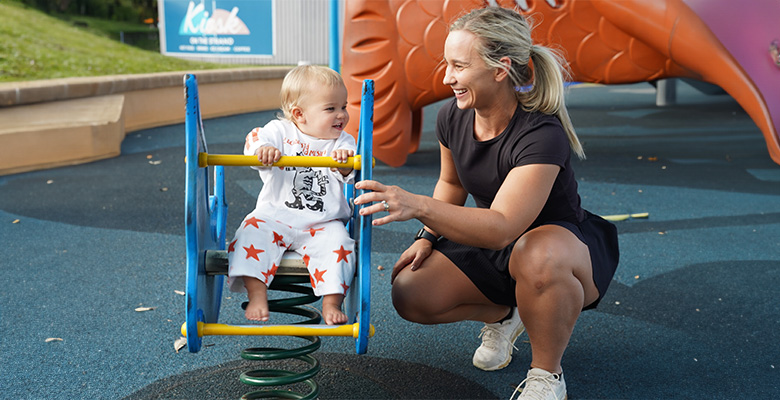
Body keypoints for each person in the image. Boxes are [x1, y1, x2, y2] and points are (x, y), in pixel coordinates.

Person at [354, 7, 619, 400]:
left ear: (501, 69)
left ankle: (547, 374)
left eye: (459, 66)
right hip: (498, 243)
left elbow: (503, 226)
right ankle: (505, 314)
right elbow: (450, 182)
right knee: (411, 292)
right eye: (447, 64)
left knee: (537, 255)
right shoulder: (452, 116)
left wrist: (420, 206)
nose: (447, 78)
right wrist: (426, 237)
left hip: (560, 248)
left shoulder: (542, 133)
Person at [227, 64, 357, 326]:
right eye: (331, 108)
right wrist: (263, 150)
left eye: (343, 106)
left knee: (340, 243)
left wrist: (344, 161)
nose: (341, 114)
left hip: (323, 223)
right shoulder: (279, 132)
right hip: (276, 216)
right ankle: (257, 293)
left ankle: (332, 301)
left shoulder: (342, 141)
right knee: (250, 232)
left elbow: (349, 168)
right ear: (299, 114)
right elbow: (254, 139)